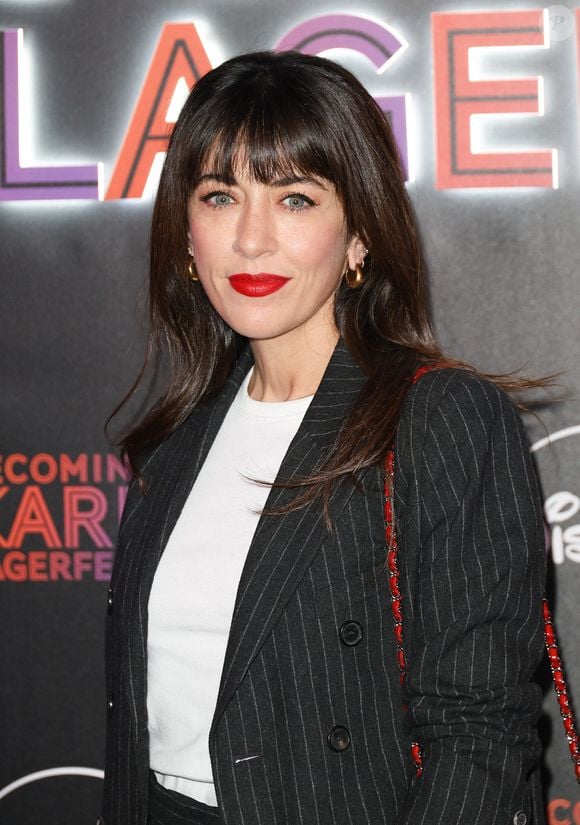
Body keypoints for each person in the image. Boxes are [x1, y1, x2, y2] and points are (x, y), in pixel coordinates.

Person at [99, 51, 548, 825]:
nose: (250, 240)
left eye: (296, 199)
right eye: (219, 195)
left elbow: (479, 734)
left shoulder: (440, 418)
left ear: (359, 237)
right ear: (185, 234)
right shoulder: (177, 442)